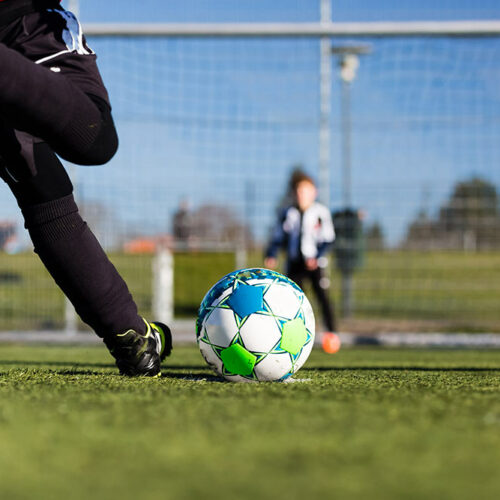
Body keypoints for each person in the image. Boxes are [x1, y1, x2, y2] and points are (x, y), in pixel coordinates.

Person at [0, 0, 172, 375]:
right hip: (30, 28)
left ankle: (133, 336)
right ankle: (129, 335)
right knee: (93, 140)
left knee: (41, 185)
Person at [264, 171, 340, 352]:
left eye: (305, 191)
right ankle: (292, 337)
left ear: (314, 192)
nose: (301, 195)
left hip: (315, 264)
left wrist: (316, 256)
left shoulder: (320, 212)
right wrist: (271, 254)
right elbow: (278, 237)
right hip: (294, 263)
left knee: (322, 297)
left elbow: (328, 239)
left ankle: (331, 334)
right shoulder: (288, 213)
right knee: (292, 300)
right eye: (298, 191)